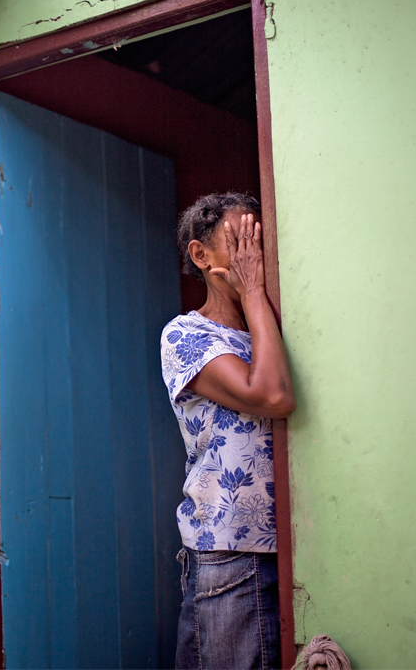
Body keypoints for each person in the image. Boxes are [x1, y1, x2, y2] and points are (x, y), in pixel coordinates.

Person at [161, 192, 296, 670]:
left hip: (280, 546)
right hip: (231, 551)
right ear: (200, 255)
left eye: (258, 243)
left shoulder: (271, 331)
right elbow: (273, 396)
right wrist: (254, 290)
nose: (251, 258)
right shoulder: (186, 335)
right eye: (239, 242)